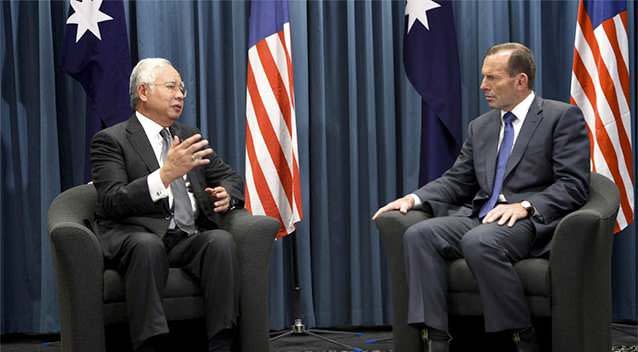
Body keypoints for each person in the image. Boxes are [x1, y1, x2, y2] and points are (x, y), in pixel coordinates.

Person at [373, 43, 590, 352]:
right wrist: (415, 199)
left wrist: (526, 205)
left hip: (528, 221)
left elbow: (574, 184)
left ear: (520, 81)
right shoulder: (481, 126)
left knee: (480, 241)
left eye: (492, 78)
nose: (483, 86)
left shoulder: (561, 117)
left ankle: (520, 335)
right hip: (480, 216)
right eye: (483, 77)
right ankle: (436, 338)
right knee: (419, 234)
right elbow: (457, 180)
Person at [91, 58, 244, 352]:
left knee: (220, 241)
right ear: (144, 92)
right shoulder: (111, 140)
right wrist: (164, 176)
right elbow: (111, 200)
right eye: (172, 87)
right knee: (147, 246)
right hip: (135, 234)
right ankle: (152, 343)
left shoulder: (187, 136)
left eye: (182, 88)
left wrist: (227, 192)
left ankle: (221, 342)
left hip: (185, 237)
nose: (180, 95)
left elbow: (229, 176)